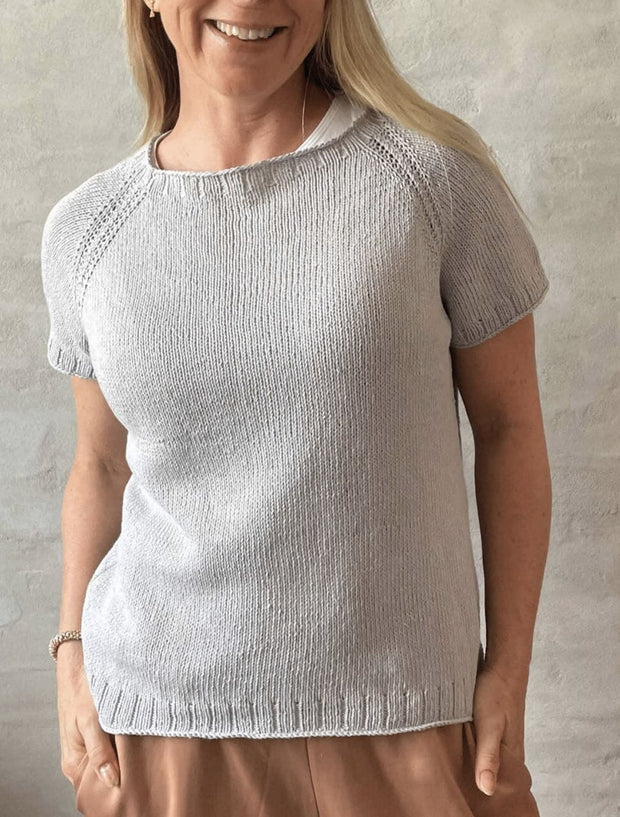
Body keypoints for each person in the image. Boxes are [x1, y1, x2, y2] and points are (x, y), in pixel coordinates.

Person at [42, 0, 552, 815]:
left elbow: (508, 429)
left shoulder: (434, 181)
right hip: (156, 729)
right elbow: (101, 465)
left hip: (407, 715)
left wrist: (509, 671)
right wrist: (71, 652)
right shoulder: (89, 232)